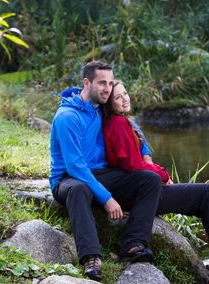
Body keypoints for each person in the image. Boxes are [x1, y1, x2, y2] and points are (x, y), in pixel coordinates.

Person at [103, 79, 209, 269]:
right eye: (118, 97)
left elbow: (137, 161)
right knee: (205, 192)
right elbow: (132, 165)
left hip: (142, 191)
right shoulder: (117, 124)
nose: (125, 99)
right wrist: (163, 175)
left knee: (204, 196)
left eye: (125, 93)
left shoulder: (122, 122)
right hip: (142, 195)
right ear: (110, 104)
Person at [50, 61, 163, 282]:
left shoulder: (99, 108)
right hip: (68, 179)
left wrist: (146, 152)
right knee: (80, 189)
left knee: (150, 179)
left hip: (101, 174)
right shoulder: (67, 117)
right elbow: (75, 167)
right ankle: (91, 258)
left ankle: (133, 245)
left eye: (110, 83)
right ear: (86, 82)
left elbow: (131, 123)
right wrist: (107, 198)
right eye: (102, 83)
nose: (107, 89)